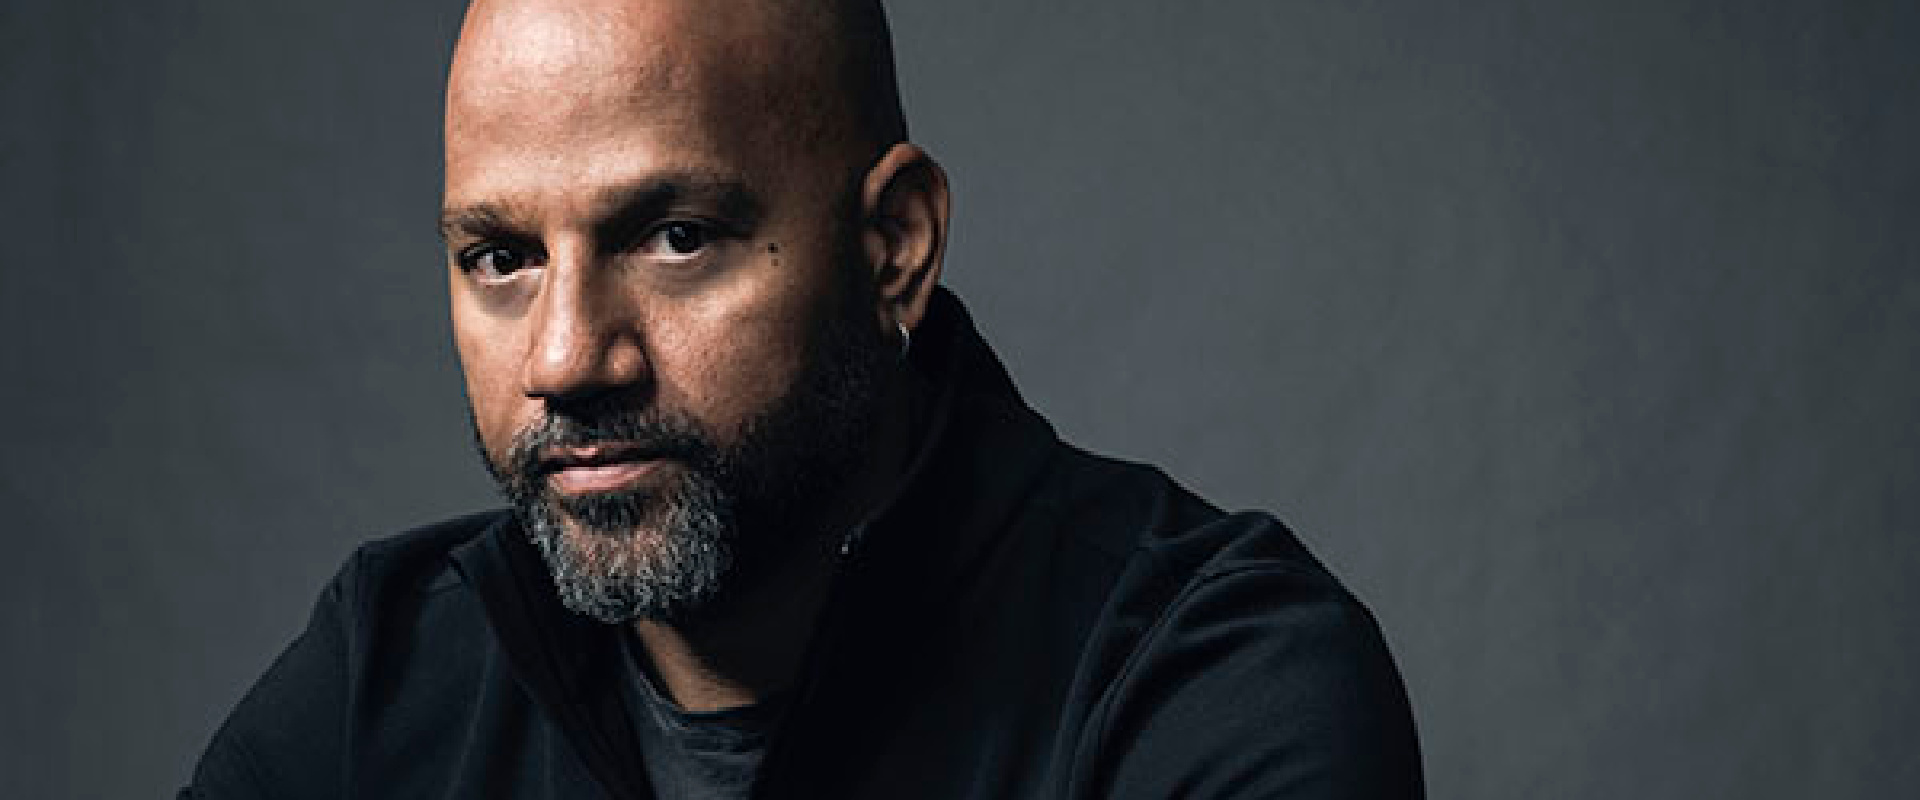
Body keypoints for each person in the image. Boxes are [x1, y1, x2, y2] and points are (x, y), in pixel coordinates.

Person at [180, 0, 1423, 796]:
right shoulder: (387, 674)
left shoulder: (1207, 681)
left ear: (894, 245)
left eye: (674, 235)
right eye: (502, 258)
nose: (564, 357)